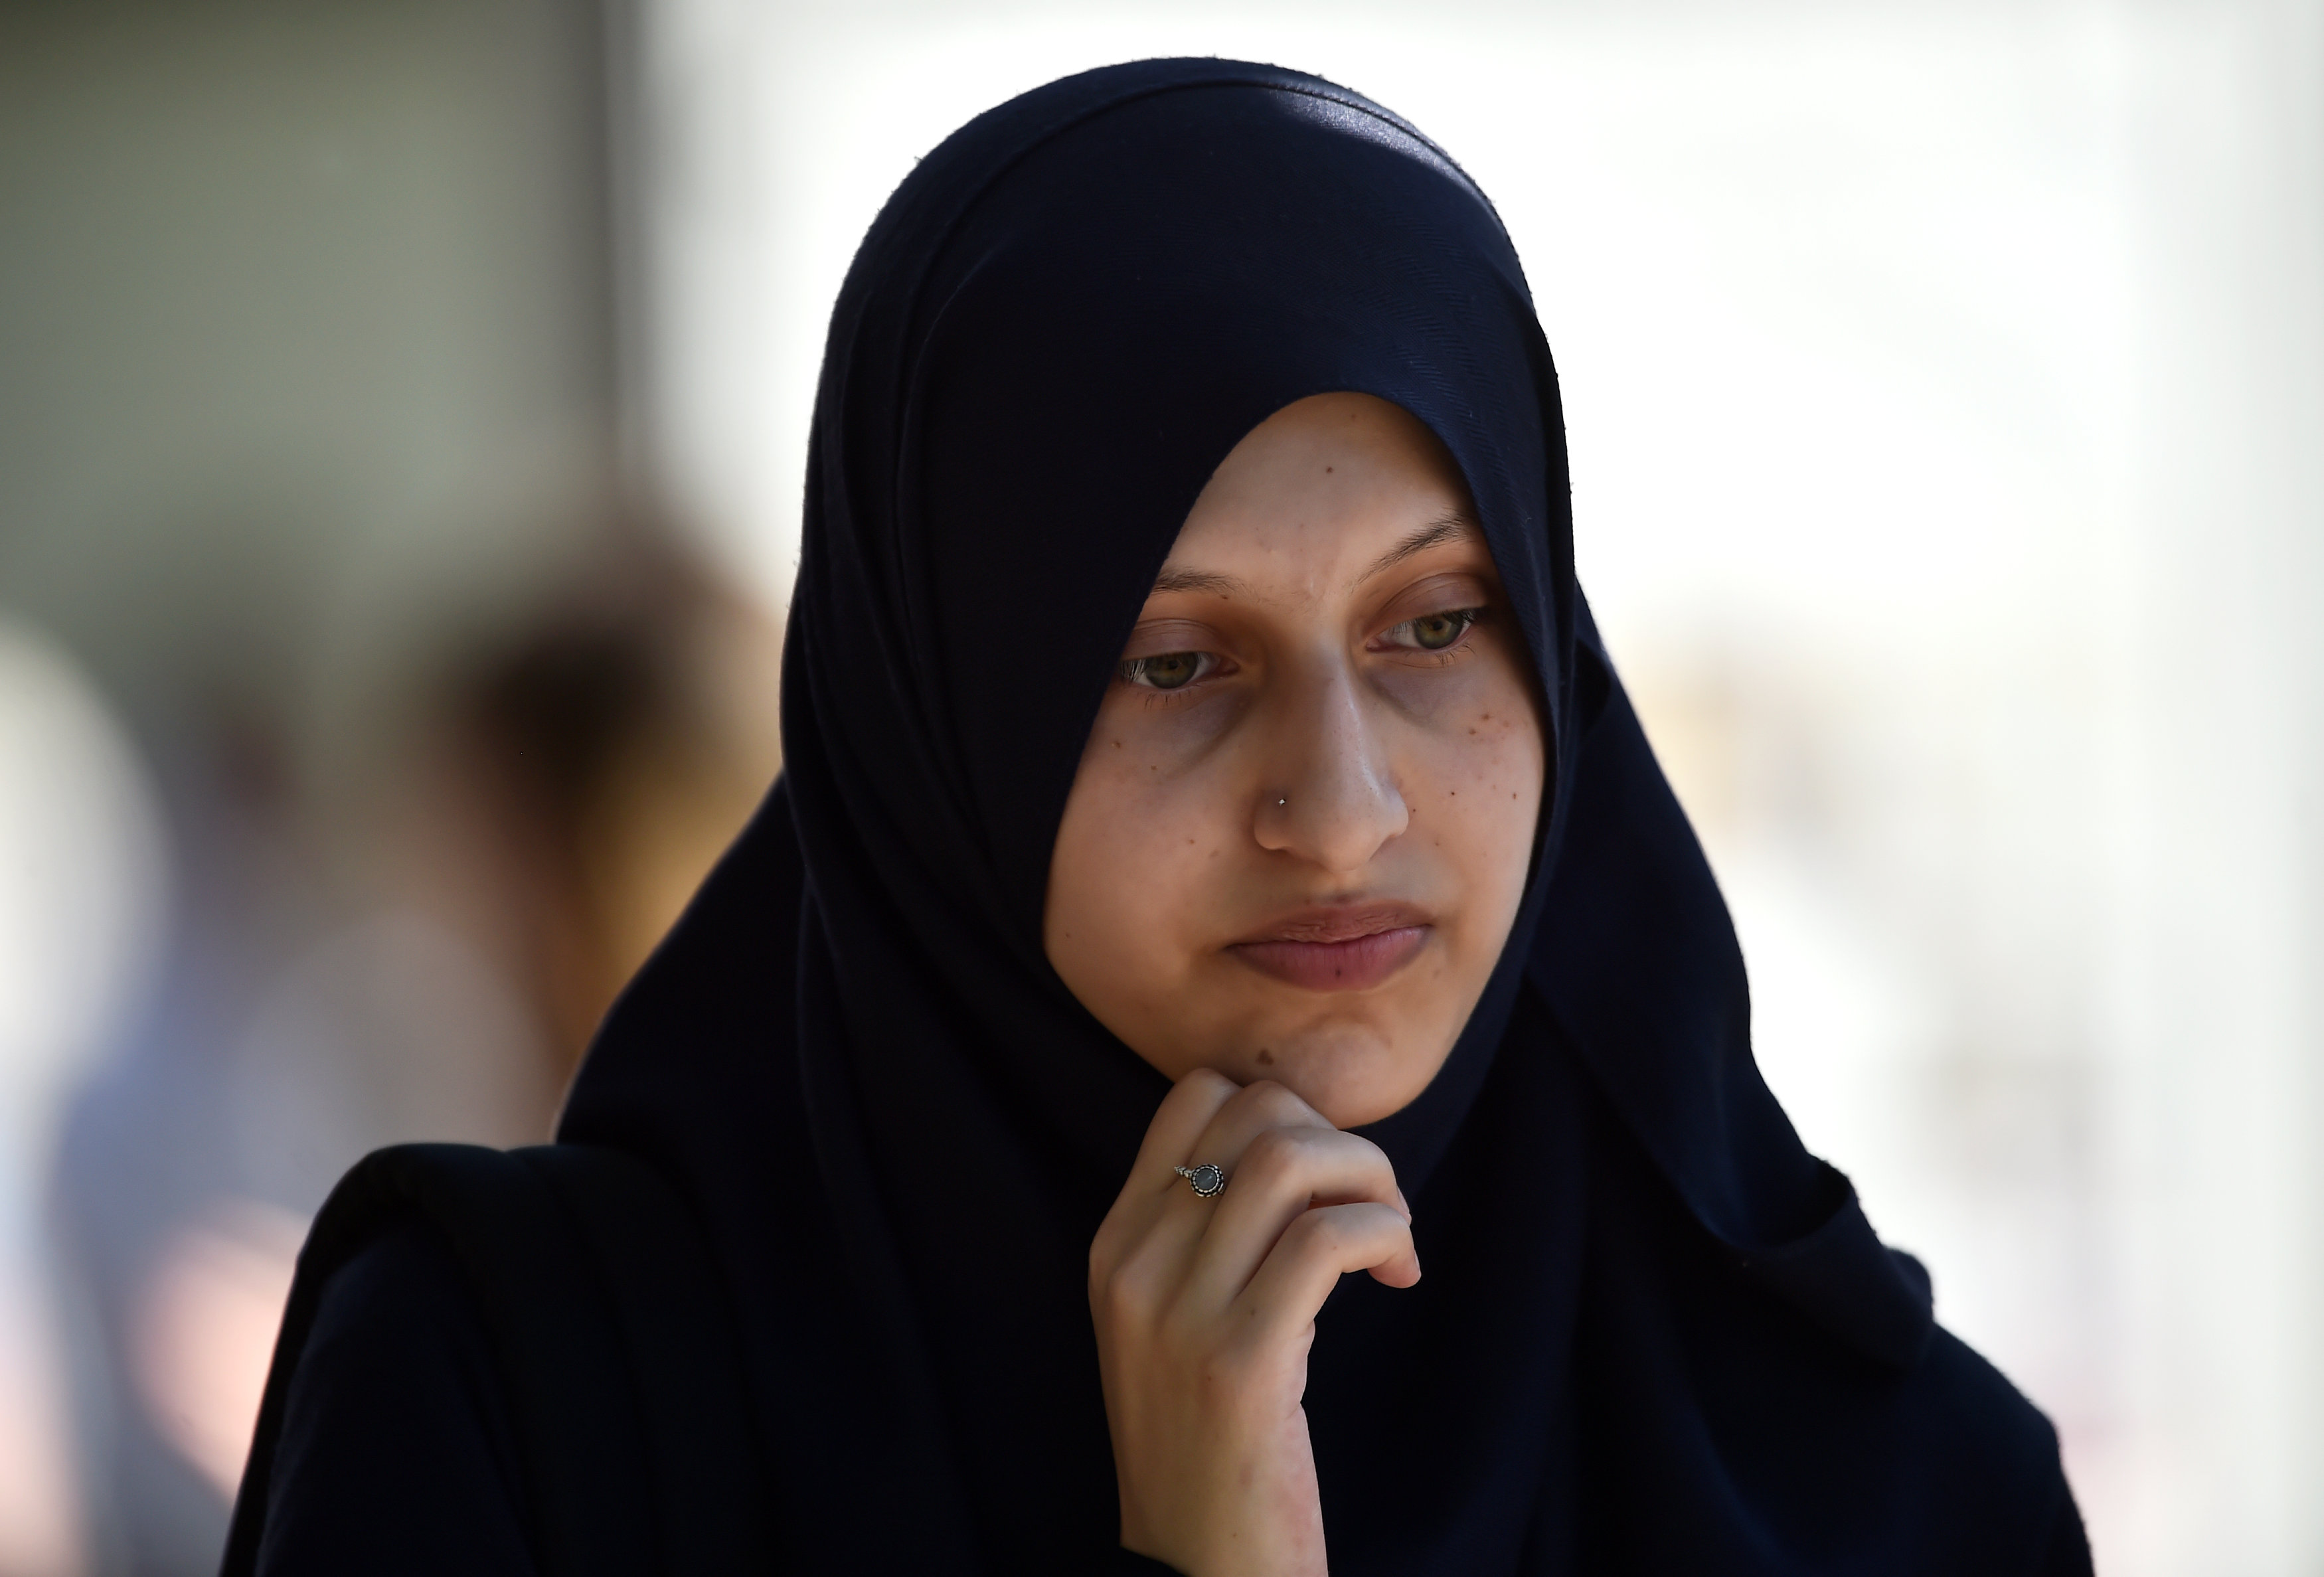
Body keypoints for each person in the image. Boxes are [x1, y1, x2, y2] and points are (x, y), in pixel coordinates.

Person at [227, 59, 2090, 1576]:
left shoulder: (1887, 1490)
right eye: (1168, 663)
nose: (1341, 812)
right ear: (940, 723)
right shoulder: (522, 1405)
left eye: (1434, 625)